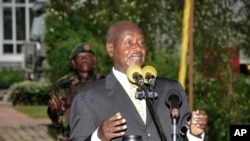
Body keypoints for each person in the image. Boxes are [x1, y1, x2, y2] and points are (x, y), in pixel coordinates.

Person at [69, 21, 208, 141]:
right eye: (129, 42)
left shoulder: (171, 91)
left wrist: (194, 134)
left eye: (141, 43)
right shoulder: (87, 98)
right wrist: (98, 137)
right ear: (110, 49)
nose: (137, 48)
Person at [47, 42, 105, 141]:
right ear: (73, 62)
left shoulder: (105, 83)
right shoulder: (62, 85)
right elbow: (54, 114)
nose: (85, 59)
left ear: (94, 60)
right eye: (80, 57)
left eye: (88, 56)